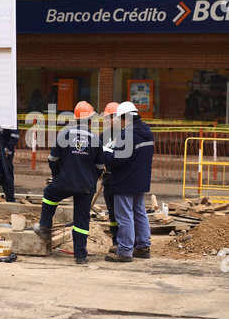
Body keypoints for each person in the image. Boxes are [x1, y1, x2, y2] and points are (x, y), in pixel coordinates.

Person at [34, 101, 104, 264]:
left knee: (49, 194)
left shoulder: (64, 135)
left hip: (64, 181)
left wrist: (56, 175)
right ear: (90, 120)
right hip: (86, 185)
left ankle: (45, 227)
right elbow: (100, 166)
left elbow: (53, 159)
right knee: (81, 220)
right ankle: (80, 255)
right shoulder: (95, 139)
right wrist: (92, 179)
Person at [103, 101, 154, 262]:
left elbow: (116, 160)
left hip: (125, 182)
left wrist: (106, 152)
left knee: (124, 216)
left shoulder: (127, 134)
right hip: (140, 181)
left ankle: (124, 251)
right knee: (139, 213)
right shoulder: (147, 131)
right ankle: (143, 246)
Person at [100, 102, 120, 252]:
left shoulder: (125, 134)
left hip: (121, 180)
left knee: (124, 214)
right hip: (107, 180)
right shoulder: (104, 135)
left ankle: (127, 242)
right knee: (112, 214)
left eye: (110, 117)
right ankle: (116, 241)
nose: (108, 120)